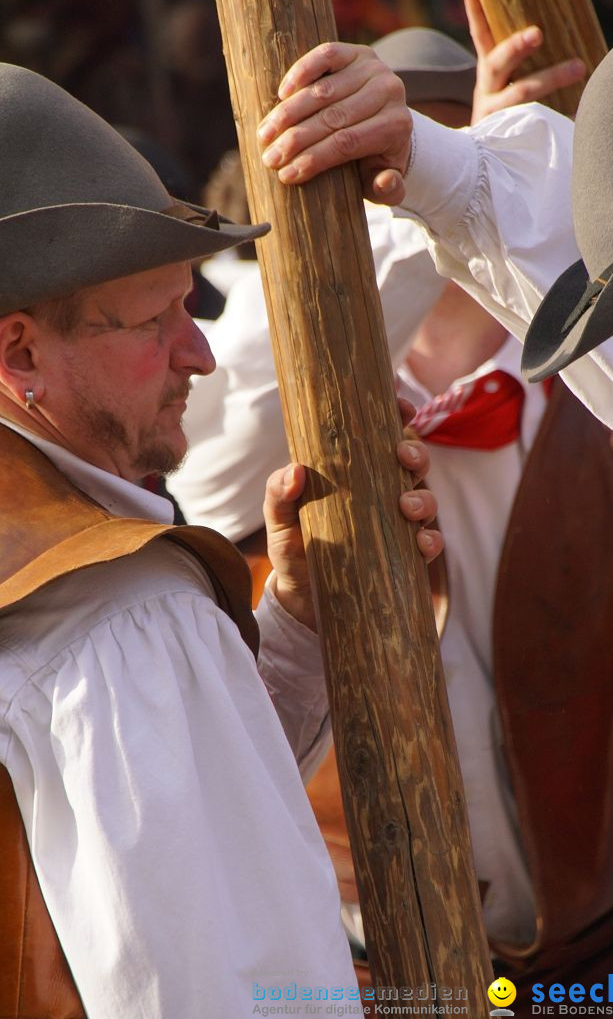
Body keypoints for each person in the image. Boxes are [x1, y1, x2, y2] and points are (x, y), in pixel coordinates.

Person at [173, 3, 613, 989]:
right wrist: (432, 203)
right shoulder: (279, 416)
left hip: (591, 976)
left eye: (394, 162)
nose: (383, 190)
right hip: (350, 975)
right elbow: (203, 466)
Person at [0, 61, 441, 1018]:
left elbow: (180, 826)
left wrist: (296, 626)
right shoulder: (123, 618)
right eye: (159, 319)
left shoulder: (115, 620)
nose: (199, 350)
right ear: (21, 353)